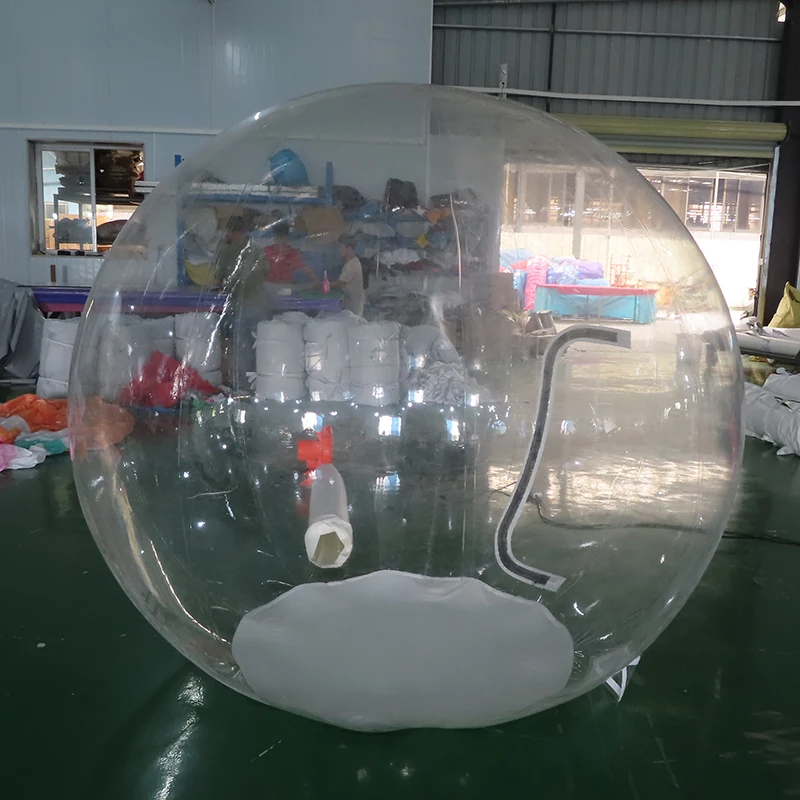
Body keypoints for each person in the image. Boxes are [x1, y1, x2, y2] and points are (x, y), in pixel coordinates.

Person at [327, 235, 365, 316]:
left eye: (341, 248)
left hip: (354, 305)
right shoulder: (348, 262)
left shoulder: (352, 264)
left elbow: (340, 283)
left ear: (349, 249)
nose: (339, 251)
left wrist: (323, 285)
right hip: (349, 302)